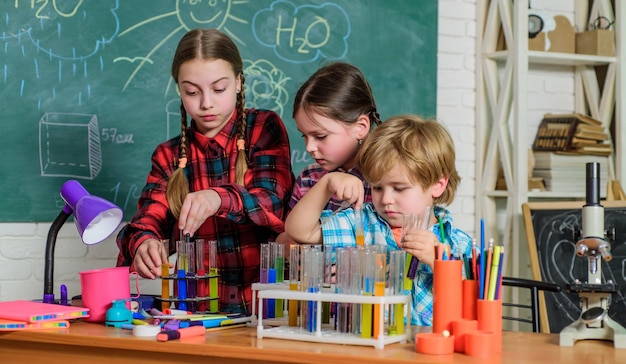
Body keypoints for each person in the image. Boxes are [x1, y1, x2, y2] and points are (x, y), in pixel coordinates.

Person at [116, 28, 294, 314]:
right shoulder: (168, 155)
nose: (206, 103)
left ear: (238, 82)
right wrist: (143, 243)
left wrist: (217, 198)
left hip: (269, 308)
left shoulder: (263, 128)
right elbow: (147, 219)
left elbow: (272, 201)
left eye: (219, 89)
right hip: (198, 311)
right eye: (191, 91)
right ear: (179, 89)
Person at [285, 114, 472, 326]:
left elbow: (471, 306)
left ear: (438, 185)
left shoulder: (456, 243)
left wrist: (440, 264)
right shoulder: (361, 223)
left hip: (428, 352)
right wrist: (326, 184)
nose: (386, 199)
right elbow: (299, 231)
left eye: (399, 188)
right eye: (377, 187)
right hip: (366, 345)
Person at [275, 62, 381, 245]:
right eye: (304, 136)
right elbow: (285, 240)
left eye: (320, 136)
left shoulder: (384, 180)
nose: (309, 147)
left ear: (361, 127)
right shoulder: (310, 178)